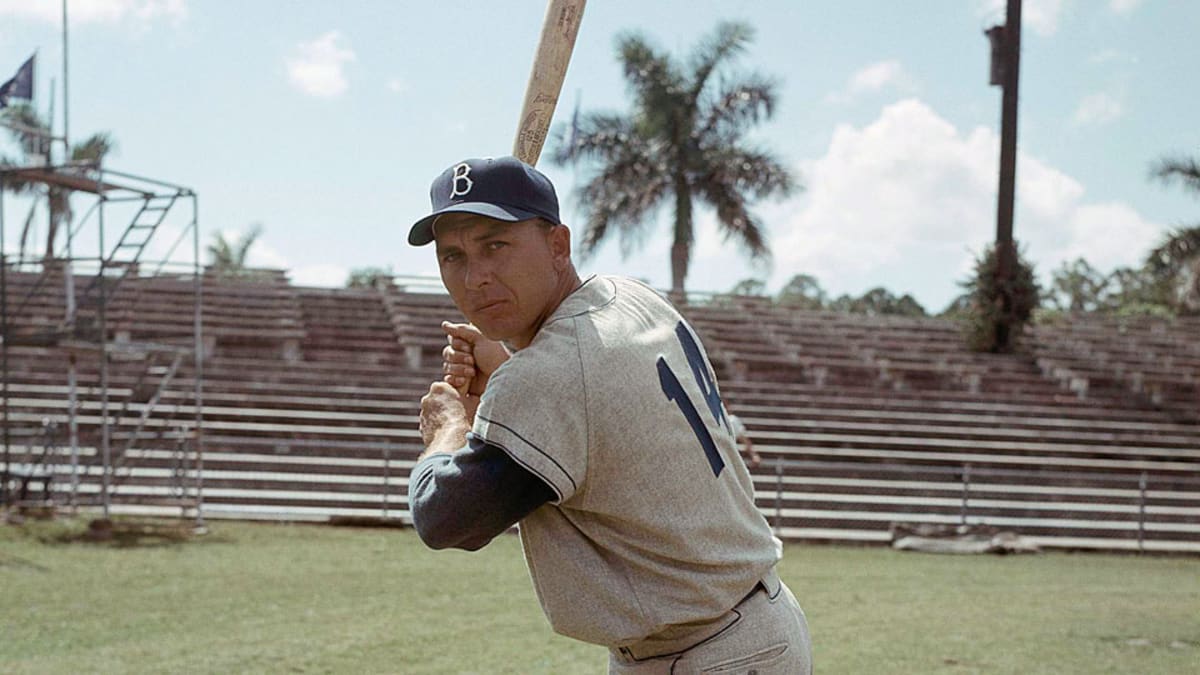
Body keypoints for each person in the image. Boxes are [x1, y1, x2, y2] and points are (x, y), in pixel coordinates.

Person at [406, 156, 811, 674]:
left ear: (558, 245)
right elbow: (594, 400)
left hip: (709, 652)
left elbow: (448, 519)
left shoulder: (548, 374)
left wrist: (448, 428)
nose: (476, 277)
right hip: (747, 625)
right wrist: (510, 367)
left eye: (496, 245)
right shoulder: (629, 298)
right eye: (453, 256)